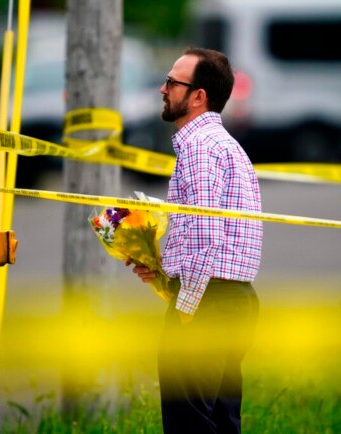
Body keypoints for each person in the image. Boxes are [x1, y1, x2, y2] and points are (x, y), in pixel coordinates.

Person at [129, 47, 263, 434]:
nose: (162, 88)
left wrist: (185, 309)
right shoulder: (223, 146)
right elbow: (206, 231)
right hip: (231, 299)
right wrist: (157, 266)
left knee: (188, 422)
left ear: (199, 96)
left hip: (208, 303)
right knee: (220, 421)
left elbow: (207, 236)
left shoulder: (200, 148)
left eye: (173, 82)